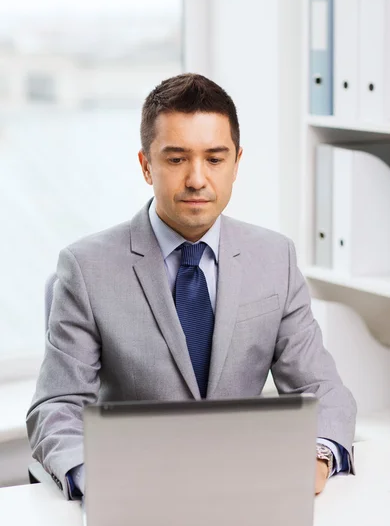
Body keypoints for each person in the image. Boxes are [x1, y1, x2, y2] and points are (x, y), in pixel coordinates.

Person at [26, 73, 356, 500]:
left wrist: (318, 457)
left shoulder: (276, 259)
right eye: (177, 159)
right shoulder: (85, 269)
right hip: (135, 495)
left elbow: (323, 390)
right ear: (147, 165)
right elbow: (56, 407)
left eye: (215, 159)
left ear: (237, 162)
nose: (197, 179)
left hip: (244, 493)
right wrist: (96, 480)